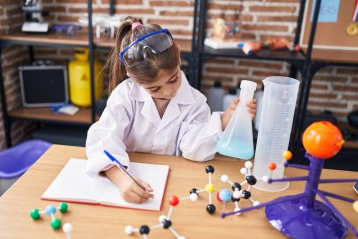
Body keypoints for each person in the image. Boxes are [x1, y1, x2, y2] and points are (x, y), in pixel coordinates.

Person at [86, 17, 256, 204]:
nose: (168, 92)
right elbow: (102, 139)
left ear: (179, 56)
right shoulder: (125, 96)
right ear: (133, 78)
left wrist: (225, 122)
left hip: (174, 186)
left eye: (173, 78)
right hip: (129, 181)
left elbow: (194, 150)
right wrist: (119, 177)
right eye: (154, 88)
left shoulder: (196, 102)